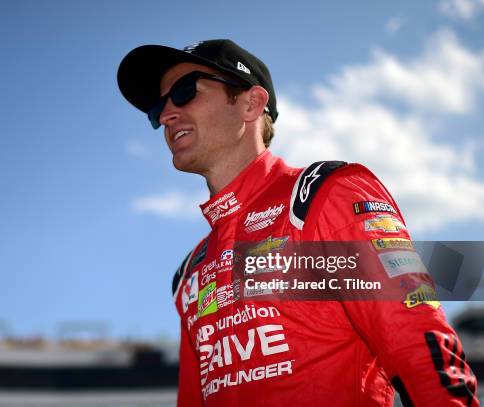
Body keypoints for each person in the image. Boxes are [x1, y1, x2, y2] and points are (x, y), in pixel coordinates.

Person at [117, 39, 478, 406]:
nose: (166, 115)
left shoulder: (320, 198)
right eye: (158, 108)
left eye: (184, 91)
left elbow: (418, 344)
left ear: (250, 103)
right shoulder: (190, 274)